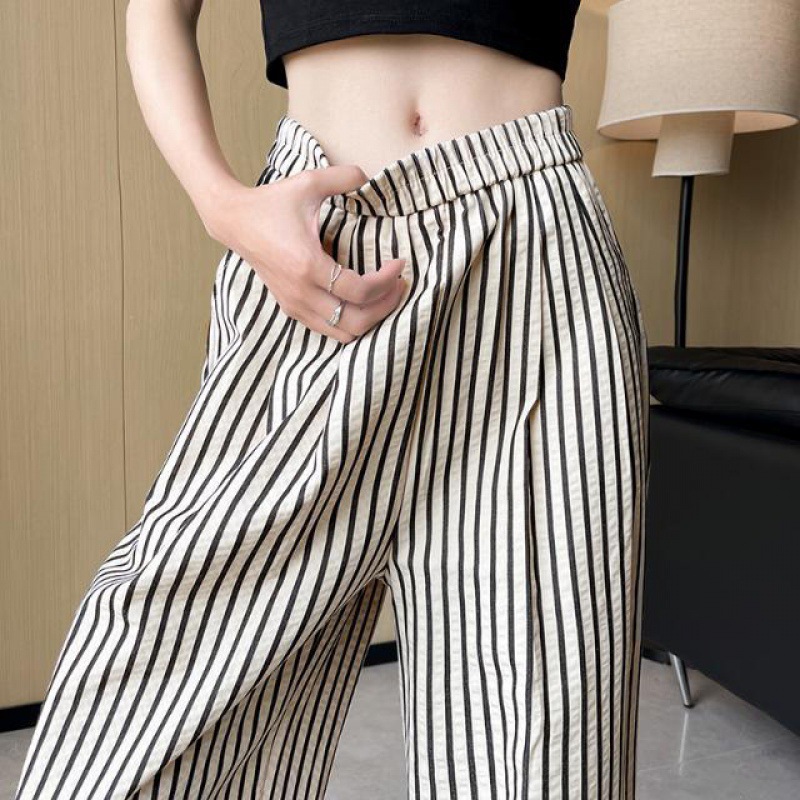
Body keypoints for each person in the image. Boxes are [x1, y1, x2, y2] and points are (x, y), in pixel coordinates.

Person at [14, 1, 650, 798]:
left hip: (535, 270)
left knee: (543, 760)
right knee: (135, 705)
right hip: (317, 251)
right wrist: (222, 204)